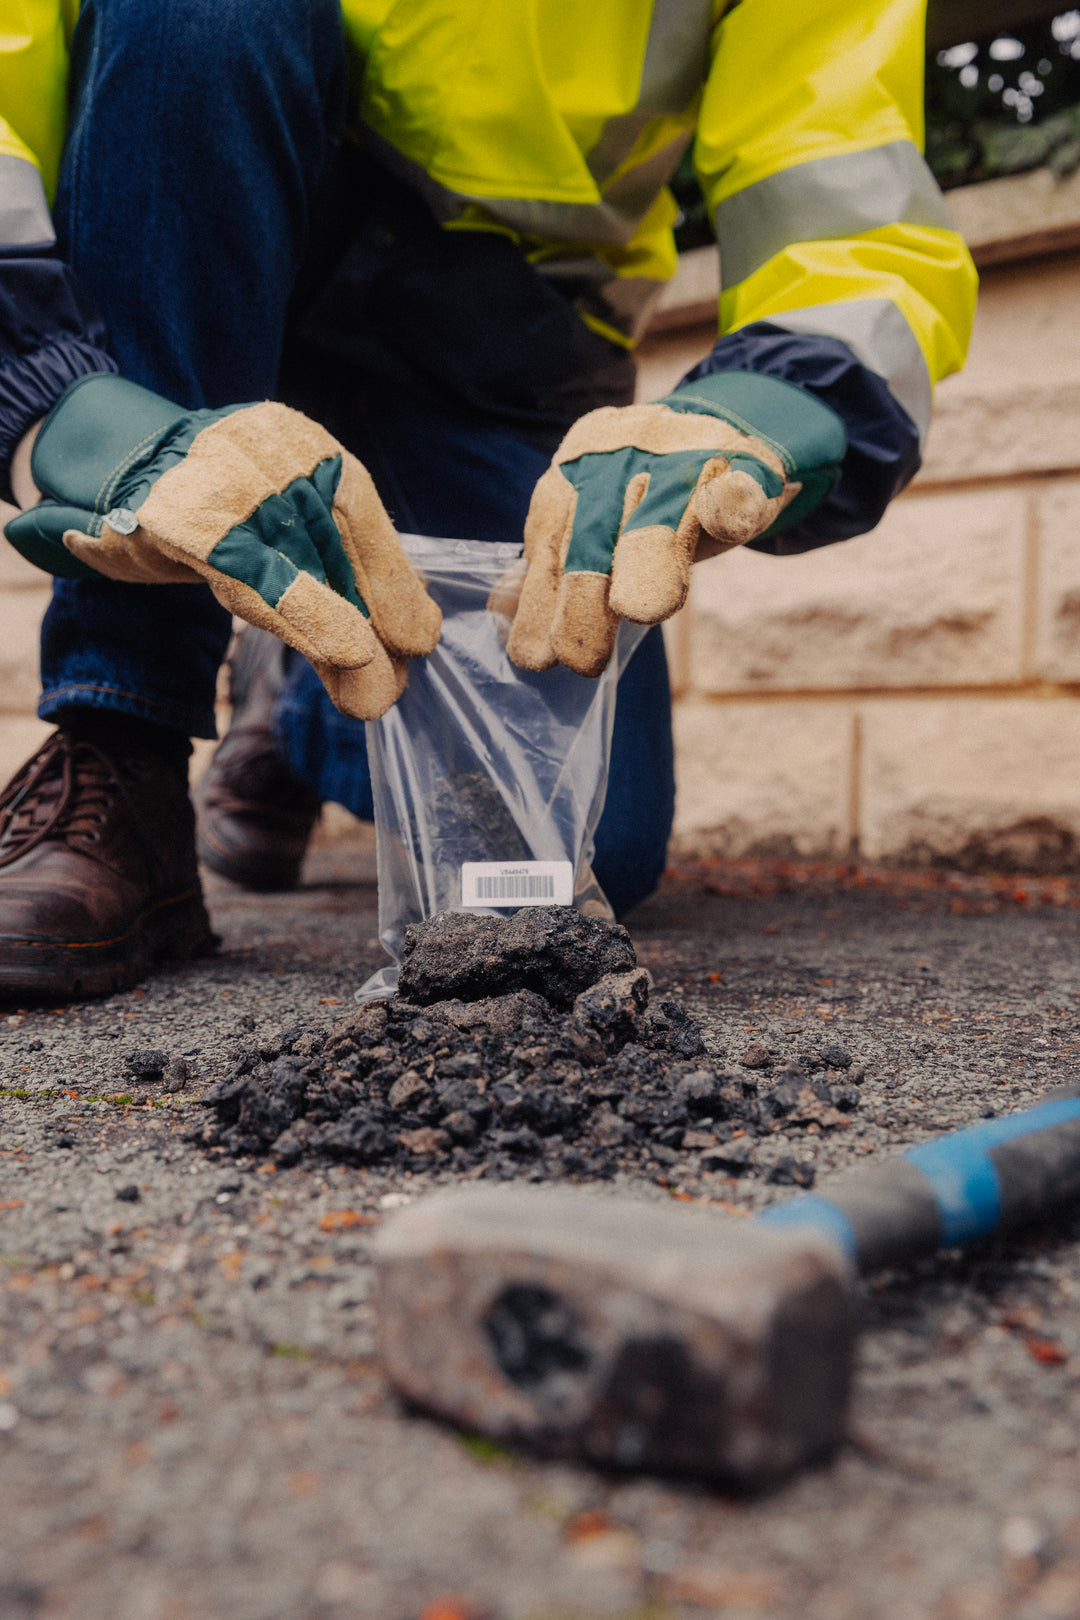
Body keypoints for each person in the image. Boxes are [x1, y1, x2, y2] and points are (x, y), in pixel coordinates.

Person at [0, 0, 976, 999]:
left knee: (583, 851)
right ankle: (122, 738)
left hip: (498, 328)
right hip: (206, 250)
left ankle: (293, 702)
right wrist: (53, 397)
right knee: (198, 22)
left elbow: (849, 194)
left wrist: (774, 404)